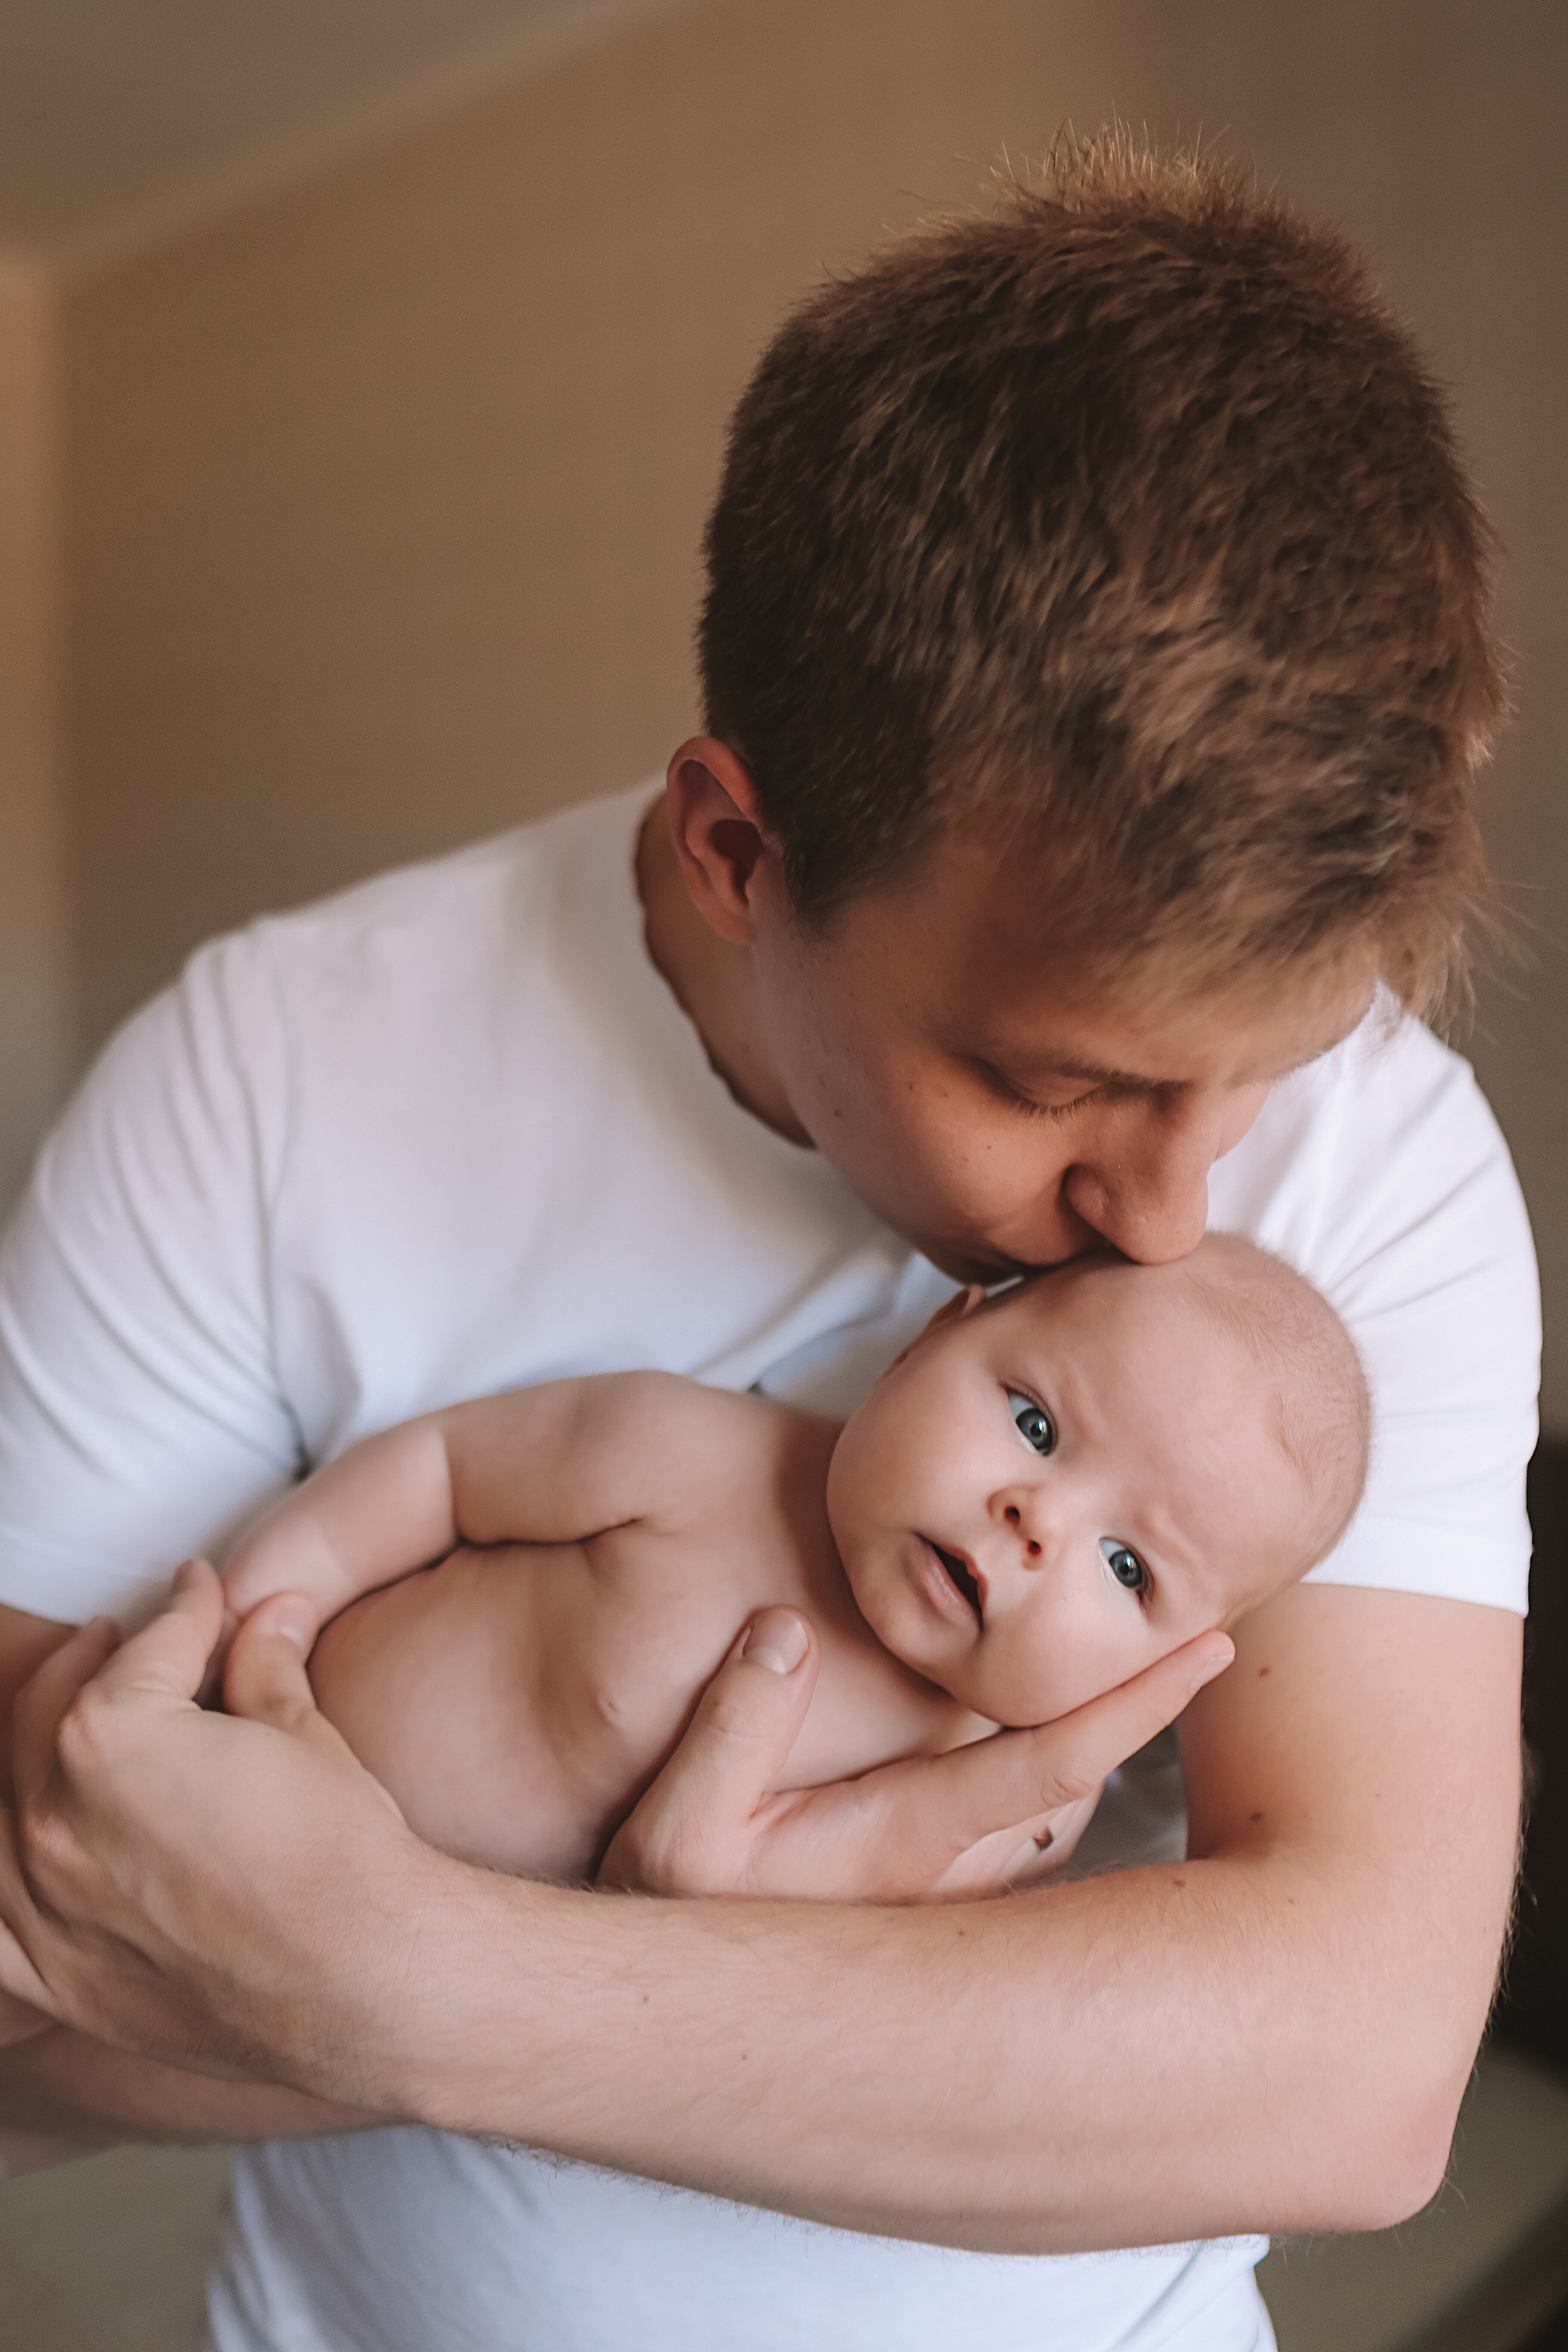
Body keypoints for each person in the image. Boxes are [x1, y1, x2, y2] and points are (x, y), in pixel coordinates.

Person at [0, 132, 1538, 2352]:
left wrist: (421, 1979)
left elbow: (1347, 2076)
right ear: (740, 848)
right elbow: (33, 1977)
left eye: (1265, 1070)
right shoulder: (266, 1076)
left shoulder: (1380, 1167)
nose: (1179, 1209)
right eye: (1053, 1078)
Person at [207, 1237, 1366, 1893]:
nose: (1036, 1523)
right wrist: (266, 1607)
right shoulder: (694, 1457)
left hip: (392, 1978)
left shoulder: (1007, 1817)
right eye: (1035, 1426)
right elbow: (444, 1470)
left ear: (1163, 1675)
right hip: (237, 1752)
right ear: (929, 1339)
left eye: (1127, 1568)